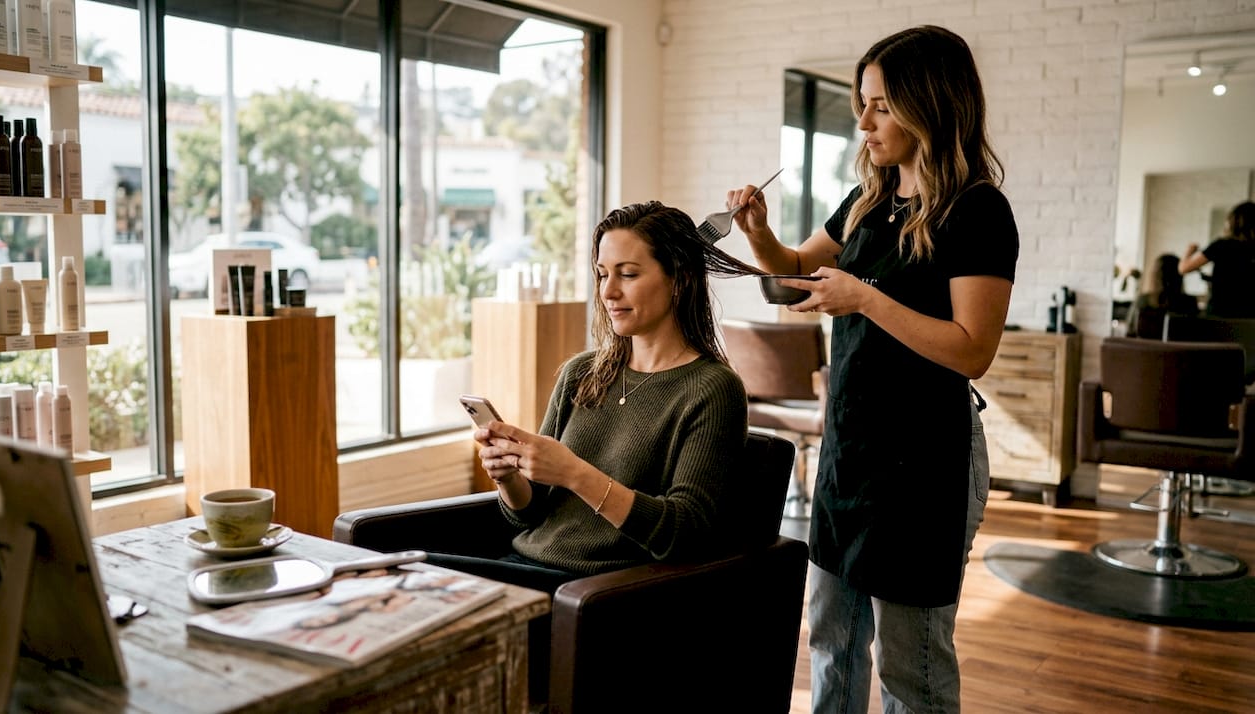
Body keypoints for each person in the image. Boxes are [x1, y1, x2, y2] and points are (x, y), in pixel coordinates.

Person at [728, 26, 1019, 713]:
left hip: (925, 461)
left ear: (931, 104)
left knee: (910, 667)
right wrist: (761, 236)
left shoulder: (977, 210)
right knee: (830, 637)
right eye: (863, 103)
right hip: (851, 449)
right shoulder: (869, 202)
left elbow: (973, 349)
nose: (863, 122)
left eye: (881, 105)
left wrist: (862, 296)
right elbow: (795, 273)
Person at [429, 200, 759, 698]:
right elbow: (529, 515)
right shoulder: (582, 372)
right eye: (602, 273)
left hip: (601, 596)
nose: (608, 291)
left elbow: (683, 534)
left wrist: (575, 473)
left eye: (628, 274)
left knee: (416, 579)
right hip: (526, 568)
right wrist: (509, 476)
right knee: (399, 575)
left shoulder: (711, 390)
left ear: (679, 278)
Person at [1179, 201, 1255, 318]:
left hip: (1219, 315)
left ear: (1232, 222)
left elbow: (1183, 268)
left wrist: (1189, 251)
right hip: (1249, 318)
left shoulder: (1221, 245)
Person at [1125, 253, 1198, 338]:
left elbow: (1130, 333)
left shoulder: (1142, 300)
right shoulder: (1189, 303)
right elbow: (1194, 336)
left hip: (1145, 350)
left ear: (1155, 275)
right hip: (1178, 351)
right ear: (1179, 276)